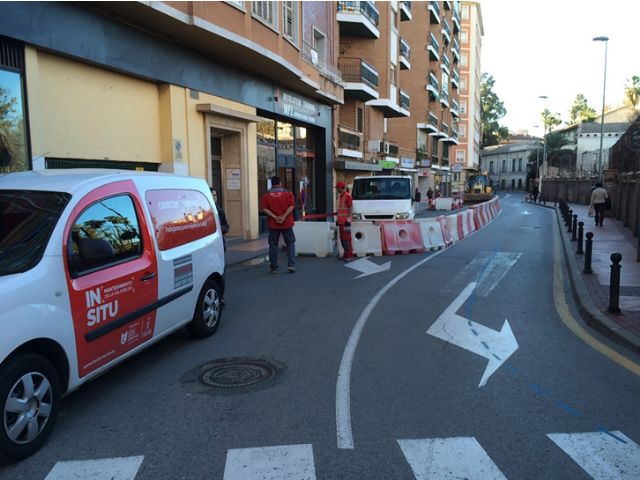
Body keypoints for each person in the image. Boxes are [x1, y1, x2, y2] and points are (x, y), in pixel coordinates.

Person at [260, 176, 296, 273]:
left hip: (273, 223)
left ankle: (274, 267)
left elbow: (264, 209)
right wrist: (283, 216)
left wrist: (275, 217)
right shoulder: (287, 193)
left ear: (271, 183)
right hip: (287, 222)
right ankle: (291, 265)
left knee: (273, 244)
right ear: (280, 183)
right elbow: (292, 206)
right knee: (290, 243)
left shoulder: (266, 195)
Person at [336, 181, 354, 262]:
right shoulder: (341, 196)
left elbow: (350, 208)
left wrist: (348, 219)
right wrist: (338, 219)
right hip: (341, 221)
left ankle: (349, 255)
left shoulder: (347, 196)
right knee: (342, 238)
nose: (337, 189)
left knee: (346, 239)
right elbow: (340, 209)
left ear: (341, 188)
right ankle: (346, 254)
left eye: (337, 188)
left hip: (345, 221)